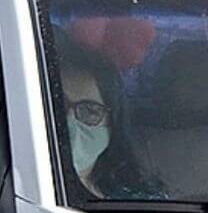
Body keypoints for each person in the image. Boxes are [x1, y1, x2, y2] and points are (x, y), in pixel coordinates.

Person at [59, 50, 160, 198]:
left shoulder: (140, 200)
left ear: (112, 122)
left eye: (90, 111)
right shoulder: (22, 187)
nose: (70, 119)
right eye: (59, 104)